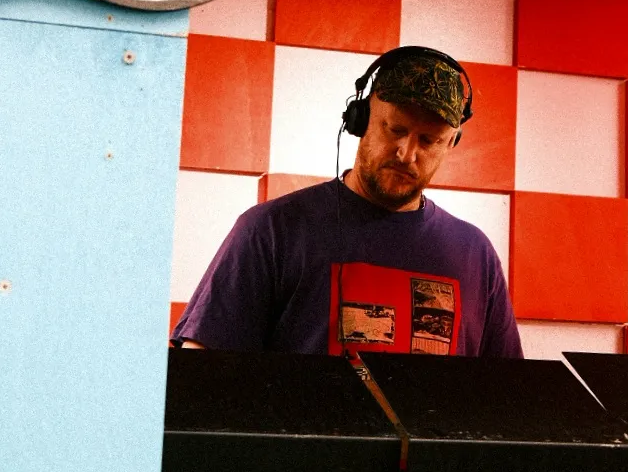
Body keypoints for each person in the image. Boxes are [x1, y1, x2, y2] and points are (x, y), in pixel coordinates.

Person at [172, 46, 523, 359]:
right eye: (395, 130)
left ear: (451, 144)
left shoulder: (475, 254)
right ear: (361, 119)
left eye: (428, 141)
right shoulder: (271, 230)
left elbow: (507, 397)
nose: (406, 153)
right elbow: (202, 374)